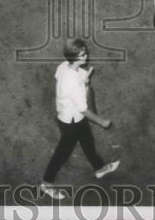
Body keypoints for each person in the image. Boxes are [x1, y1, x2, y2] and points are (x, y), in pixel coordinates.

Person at [39, 38, 119, 200]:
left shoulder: (63, 66)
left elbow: (60, 79)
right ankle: (46, 183)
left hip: (66, 115)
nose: (86, 56)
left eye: (85, 52)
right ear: (74, 58)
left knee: (88, 142)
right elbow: (84, 109)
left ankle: (100, 168)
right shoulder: (75, 84)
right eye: (83, 54)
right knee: (62, 153)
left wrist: (82, 80)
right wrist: (101, 121)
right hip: (72, 122)